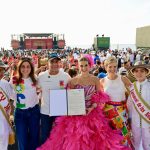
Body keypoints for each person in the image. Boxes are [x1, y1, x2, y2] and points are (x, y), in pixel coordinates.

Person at [37, 56, 131, 150]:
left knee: (96, 140)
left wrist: (92, 107)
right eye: (81, 66)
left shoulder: (95, 79)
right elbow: (68, 97)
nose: (84, 68)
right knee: (75, 141)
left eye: (86, 65)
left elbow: (100, 97)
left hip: (93, 114)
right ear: (78, 66)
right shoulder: (73, 81)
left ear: (90, 65)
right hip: (76, 115)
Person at [37, 53, 70, 145]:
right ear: (48, 63)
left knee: (61, 136)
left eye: (57, 62)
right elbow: (35, 88)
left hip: (60, 112)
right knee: (44, 137)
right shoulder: (41, 76)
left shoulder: (65, 76)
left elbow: (73, 88)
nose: (55, 64)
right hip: (45, 112)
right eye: (52, 62)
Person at [100, 56, 132, 147]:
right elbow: (98, 97)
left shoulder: (123, 78)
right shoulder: (102, 81)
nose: (112, 69)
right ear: (106, 67)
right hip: (107, 113)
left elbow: (134, 90)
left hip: (122, 112)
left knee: (124, 136)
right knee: (111, 138)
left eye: (114, 66)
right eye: (110, 67)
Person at [10, 58, 40, 150]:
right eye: (23, 66)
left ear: (31, 68)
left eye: (28, 66)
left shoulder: (35, 78)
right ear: (19, 68)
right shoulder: (14, 79)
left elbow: (41, 90)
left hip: (34, 111)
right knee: (22, 140)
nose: (25, 69)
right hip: (20, 113)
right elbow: (10, 95)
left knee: (34, 138)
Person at [127, 61, 150, 150]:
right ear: (133, 73)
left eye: (141, 71)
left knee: (147, 145)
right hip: (135, 122)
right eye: (136, 71)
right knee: (135, 144)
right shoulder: (132, 87)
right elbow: (129, 105)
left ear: (146, 72)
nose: (139, 73)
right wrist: (129, 119)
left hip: (147, 122)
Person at [0, 60, 14, 150]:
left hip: (4, 120)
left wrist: (12, 114)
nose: (1, 72)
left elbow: (13, 99)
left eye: (2, 70)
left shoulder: (5, 84)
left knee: (3, 144)